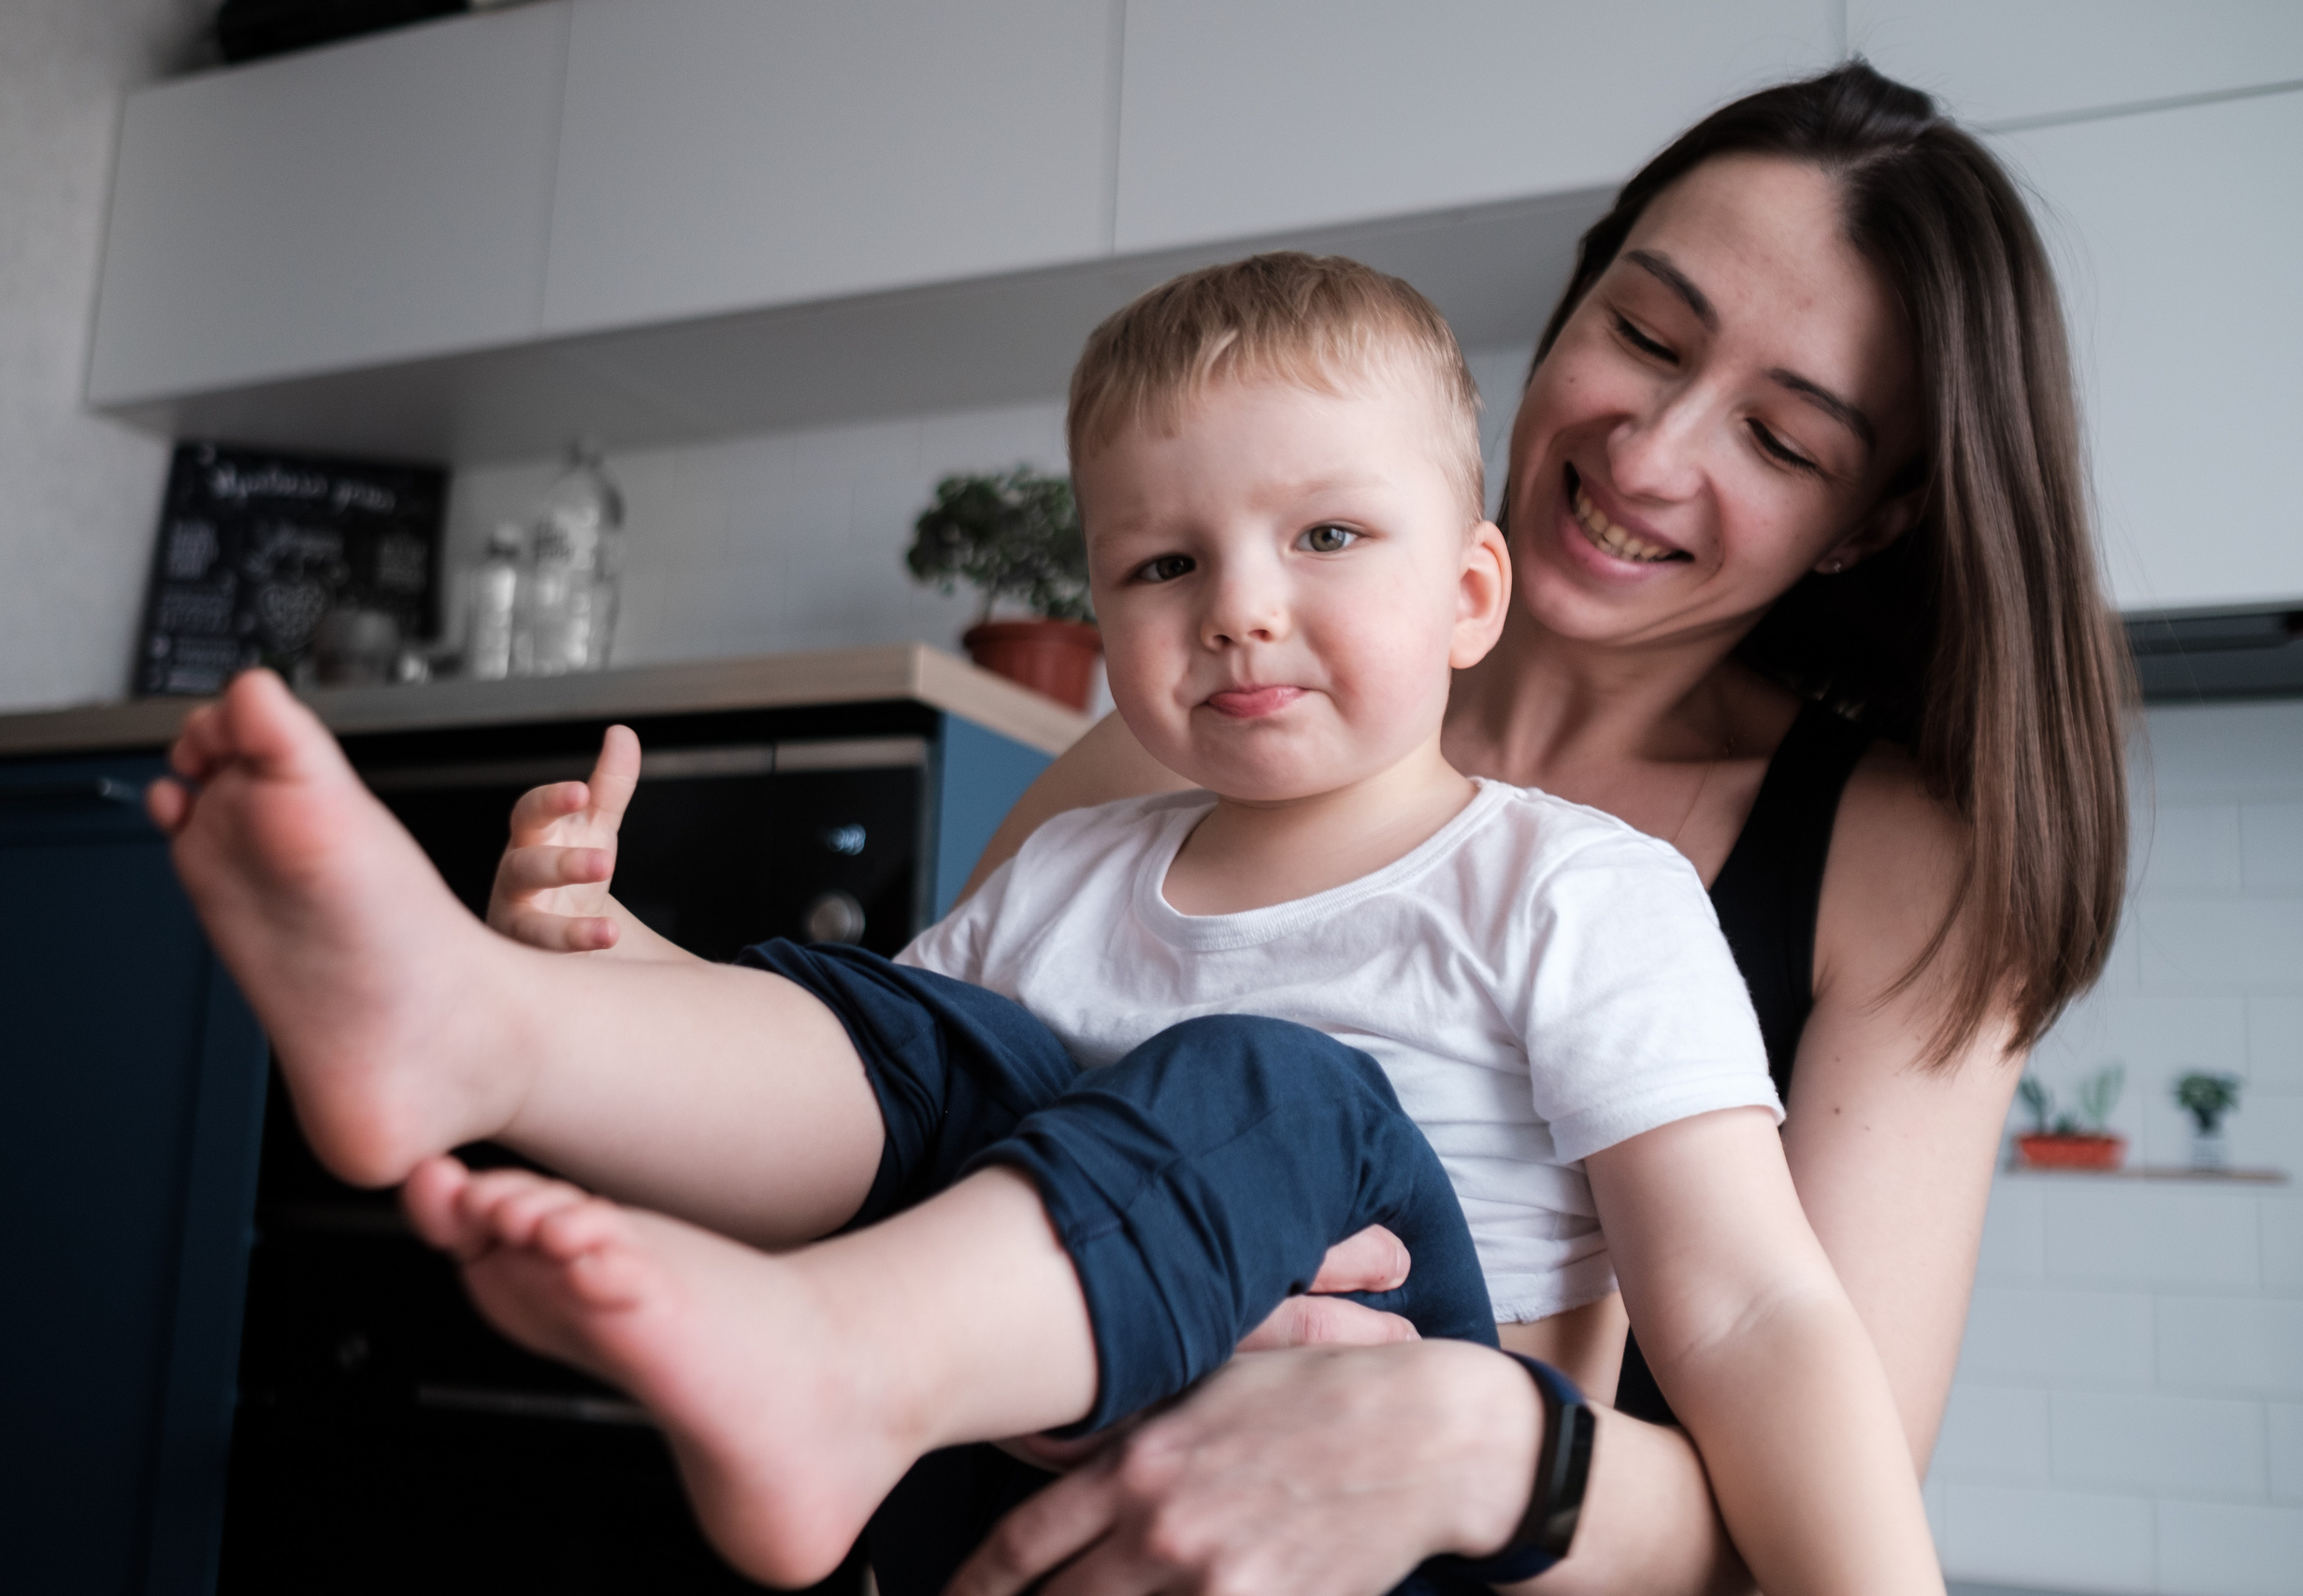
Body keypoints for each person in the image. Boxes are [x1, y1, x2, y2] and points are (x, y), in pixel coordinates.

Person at [482, 61, 2132, 1596]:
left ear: (1875, 519)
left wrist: (1474, 1444)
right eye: (1642, 333)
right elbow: (879, 1115)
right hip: (1005, 1519)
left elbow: (1802, 1464)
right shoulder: (1175, 745)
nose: (1651, 450)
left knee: (1275, 1086)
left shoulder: (1838, 865)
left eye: (1782, 438)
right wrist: (618, 995)